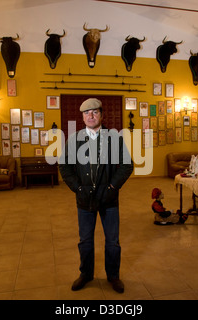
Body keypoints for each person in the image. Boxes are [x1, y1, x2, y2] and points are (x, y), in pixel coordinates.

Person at [59, 98, 134, 294]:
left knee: (112, 241)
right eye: (86, 113)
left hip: (109, 199)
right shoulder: (74, 139)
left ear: (101, 114)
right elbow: (64, 166)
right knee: (85, 240)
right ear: (82, 117)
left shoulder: (114, 138)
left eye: (94, 112)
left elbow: (127, 165)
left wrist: (111, 187)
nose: (90, 116)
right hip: (84, 199)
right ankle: (86, 274)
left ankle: (113, 276)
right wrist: (78, 188)